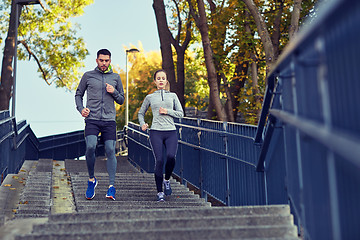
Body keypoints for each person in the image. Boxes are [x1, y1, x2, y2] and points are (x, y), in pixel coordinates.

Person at [75, 49, 124, 201]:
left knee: (110, 149)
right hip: (92, 119)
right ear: (97, 60)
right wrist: (81, 109)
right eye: (101, 60)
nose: (104, 63)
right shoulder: (88, 76)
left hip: (109, 120)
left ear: (110, 61)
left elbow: (121, 99)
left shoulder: (116, 77)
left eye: (106, 60)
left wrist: (114, 91)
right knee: (90, 146)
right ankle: (91, 180)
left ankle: (111, 186)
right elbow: (78, 94)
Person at [138, 69, 184, 202]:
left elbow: (181, 114)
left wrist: (167, 111)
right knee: (159, 160)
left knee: (171, 157)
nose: (161, 80)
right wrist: (142, 124)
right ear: (155, 81)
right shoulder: (150, 97)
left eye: (163, 78)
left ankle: (167, 179)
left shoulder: (173, 96)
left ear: (166, 80)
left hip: (171, 131)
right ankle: (159, 193)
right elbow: (141, 113)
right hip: (156, 131)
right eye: (158, 78)